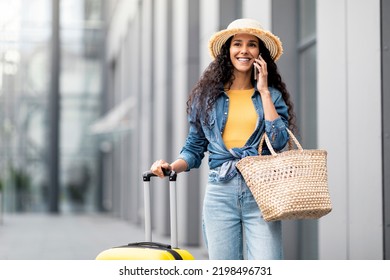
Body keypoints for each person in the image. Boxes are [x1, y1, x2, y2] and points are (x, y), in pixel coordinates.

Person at [150, 18, 296, 260]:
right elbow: (194, 149)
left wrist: (264, 91)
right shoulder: (206, 98)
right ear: (228, 51)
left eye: (252, 45)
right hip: (220, 193)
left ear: (260, 53)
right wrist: (170, 166)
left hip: (261, 192)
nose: (244, 50)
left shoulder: (271, 95)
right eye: (237, 44)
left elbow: (279, 141)